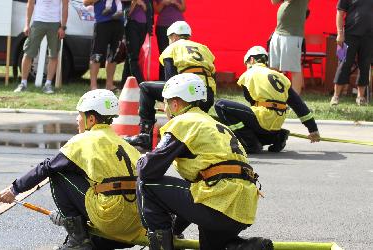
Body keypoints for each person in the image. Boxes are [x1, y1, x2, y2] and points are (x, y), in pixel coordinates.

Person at [136, 73, 273, 250]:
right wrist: (175, 231)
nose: (164, 109)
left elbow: (148, 170)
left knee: (145, 185)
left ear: (175, 104)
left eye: (165, 103)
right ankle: (249, 246)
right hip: (241, 207)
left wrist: (142, 160)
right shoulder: (214, 124)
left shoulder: (183, 122)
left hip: (217, 200)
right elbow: (194, 187)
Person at [0, 89, 145, 249]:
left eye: (79, 115)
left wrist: (14, 189)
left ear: (91, 119)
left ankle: (78, 240)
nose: (77, 119)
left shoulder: (83, 140)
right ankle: (82, 237)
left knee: (58, 172)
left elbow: (46, 167)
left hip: (111, 219)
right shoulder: (125, 144)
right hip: (134, 224)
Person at [125, 21, 216, 150]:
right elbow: (213, 76)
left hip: (186, 95)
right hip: (207, 96)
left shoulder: (172, 48)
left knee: (145, 87)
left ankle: (145, 134)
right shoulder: (204, 49)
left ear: (174, 36)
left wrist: (167, 101)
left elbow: (171, 81)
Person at [214, 46, 320, 154]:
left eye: (246, 63)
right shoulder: (281, 77)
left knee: (221, 105)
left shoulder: (248, 74)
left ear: (251, 60)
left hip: (262, 119)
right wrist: (313, 129)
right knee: (248, 120)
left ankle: (250, 144)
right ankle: (277, 136)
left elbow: (250, 101)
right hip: (276, 123)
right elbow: (299, 105)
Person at [14, 0, 68, 94]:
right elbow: (30, 4)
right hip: (38, 22)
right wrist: (27, 24)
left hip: (55, 23)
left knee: (53, 55)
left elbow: (65, 6)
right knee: (28, 53)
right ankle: (23, 83)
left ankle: (48, 84)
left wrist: (63, 27)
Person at [330, 0, 373, 106]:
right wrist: (340, 34)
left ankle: (360, 97)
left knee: (365, 66)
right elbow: (339, 13)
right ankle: (335, 96)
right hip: (348, 35)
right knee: (343, 64)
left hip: (369, 37)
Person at [269, 0, 309, 95]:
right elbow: (274, 2)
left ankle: (296, 101)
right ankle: (274, 96)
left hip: (292, 34)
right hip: (278, 32)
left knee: (294, 69)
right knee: (273, 67)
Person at [84, 0, 124, 91]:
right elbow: (86, 2)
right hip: (102, 22)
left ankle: (109, 85)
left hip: (119, 22)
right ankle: (93, 86)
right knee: (96, 55)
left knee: (114, 55)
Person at [120, 0, 153, 85]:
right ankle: (142, 83)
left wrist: (144, 5)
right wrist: (135, 2)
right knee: (133, 57)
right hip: (131, 24)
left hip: (144, 26)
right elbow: (127, 13)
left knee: (131, 56)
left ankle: (123, 83)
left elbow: (149, 10)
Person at [154, 0, 186, 81]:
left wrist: (175, 2)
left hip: (179, 27)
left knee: (179, 53)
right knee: (164, 54)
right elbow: (156, 10)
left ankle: (179, 79)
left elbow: (183, 8)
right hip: (162, 26)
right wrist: (163, 3)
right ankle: (163, 80)